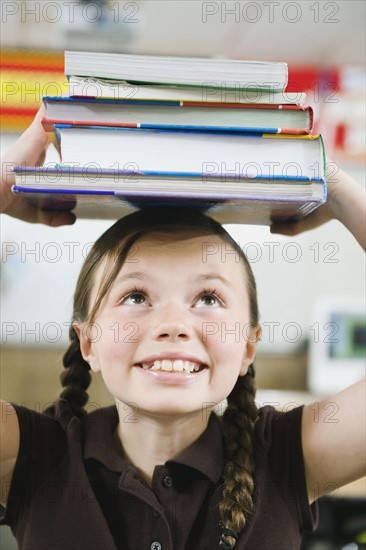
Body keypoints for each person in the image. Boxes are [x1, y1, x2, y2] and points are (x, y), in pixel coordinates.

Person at [0, 109, 365, 550]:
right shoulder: (33, 454)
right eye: (136, 297)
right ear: (89, 341)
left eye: (208, 300)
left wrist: (338, 189)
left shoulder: (288, 455)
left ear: (249, 345)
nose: (173, 325)